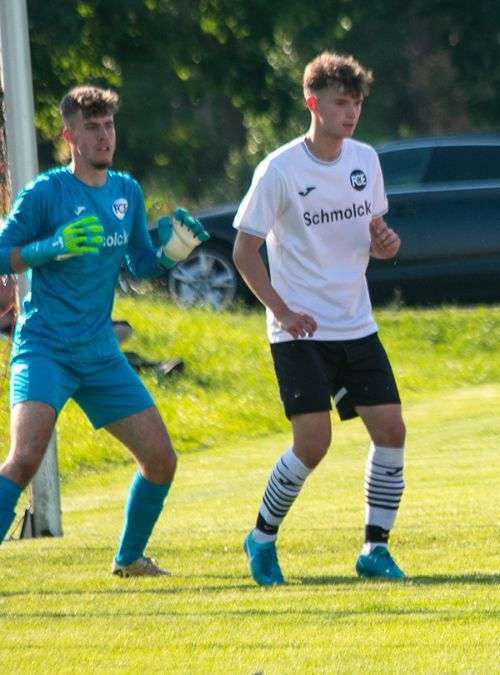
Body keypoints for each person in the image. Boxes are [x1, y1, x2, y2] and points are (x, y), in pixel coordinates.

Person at [0, 85, 209, 576]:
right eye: (91, 127)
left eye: (109, 125)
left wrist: (170, 255)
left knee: (161, 461)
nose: (103, 136)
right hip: (45, 348)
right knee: (25, 457)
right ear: (69, 135)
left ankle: (129, 559)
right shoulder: (46, 192)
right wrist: (47, 248)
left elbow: (138, 265)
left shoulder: (126, 192)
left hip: (99, 353)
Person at [233, 52, 406, 586]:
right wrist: (282, 310)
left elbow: (376, 241)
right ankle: (261, 539)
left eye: (356, 103)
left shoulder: (366, 160)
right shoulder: (280, 168)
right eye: (340, 102)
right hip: (299, 331)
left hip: (356, 324)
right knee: (313, 443)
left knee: (391, 431)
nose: (350, 112)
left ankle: (374, 549)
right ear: (313, 103)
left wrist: (387, 246)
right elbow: (244, 250)